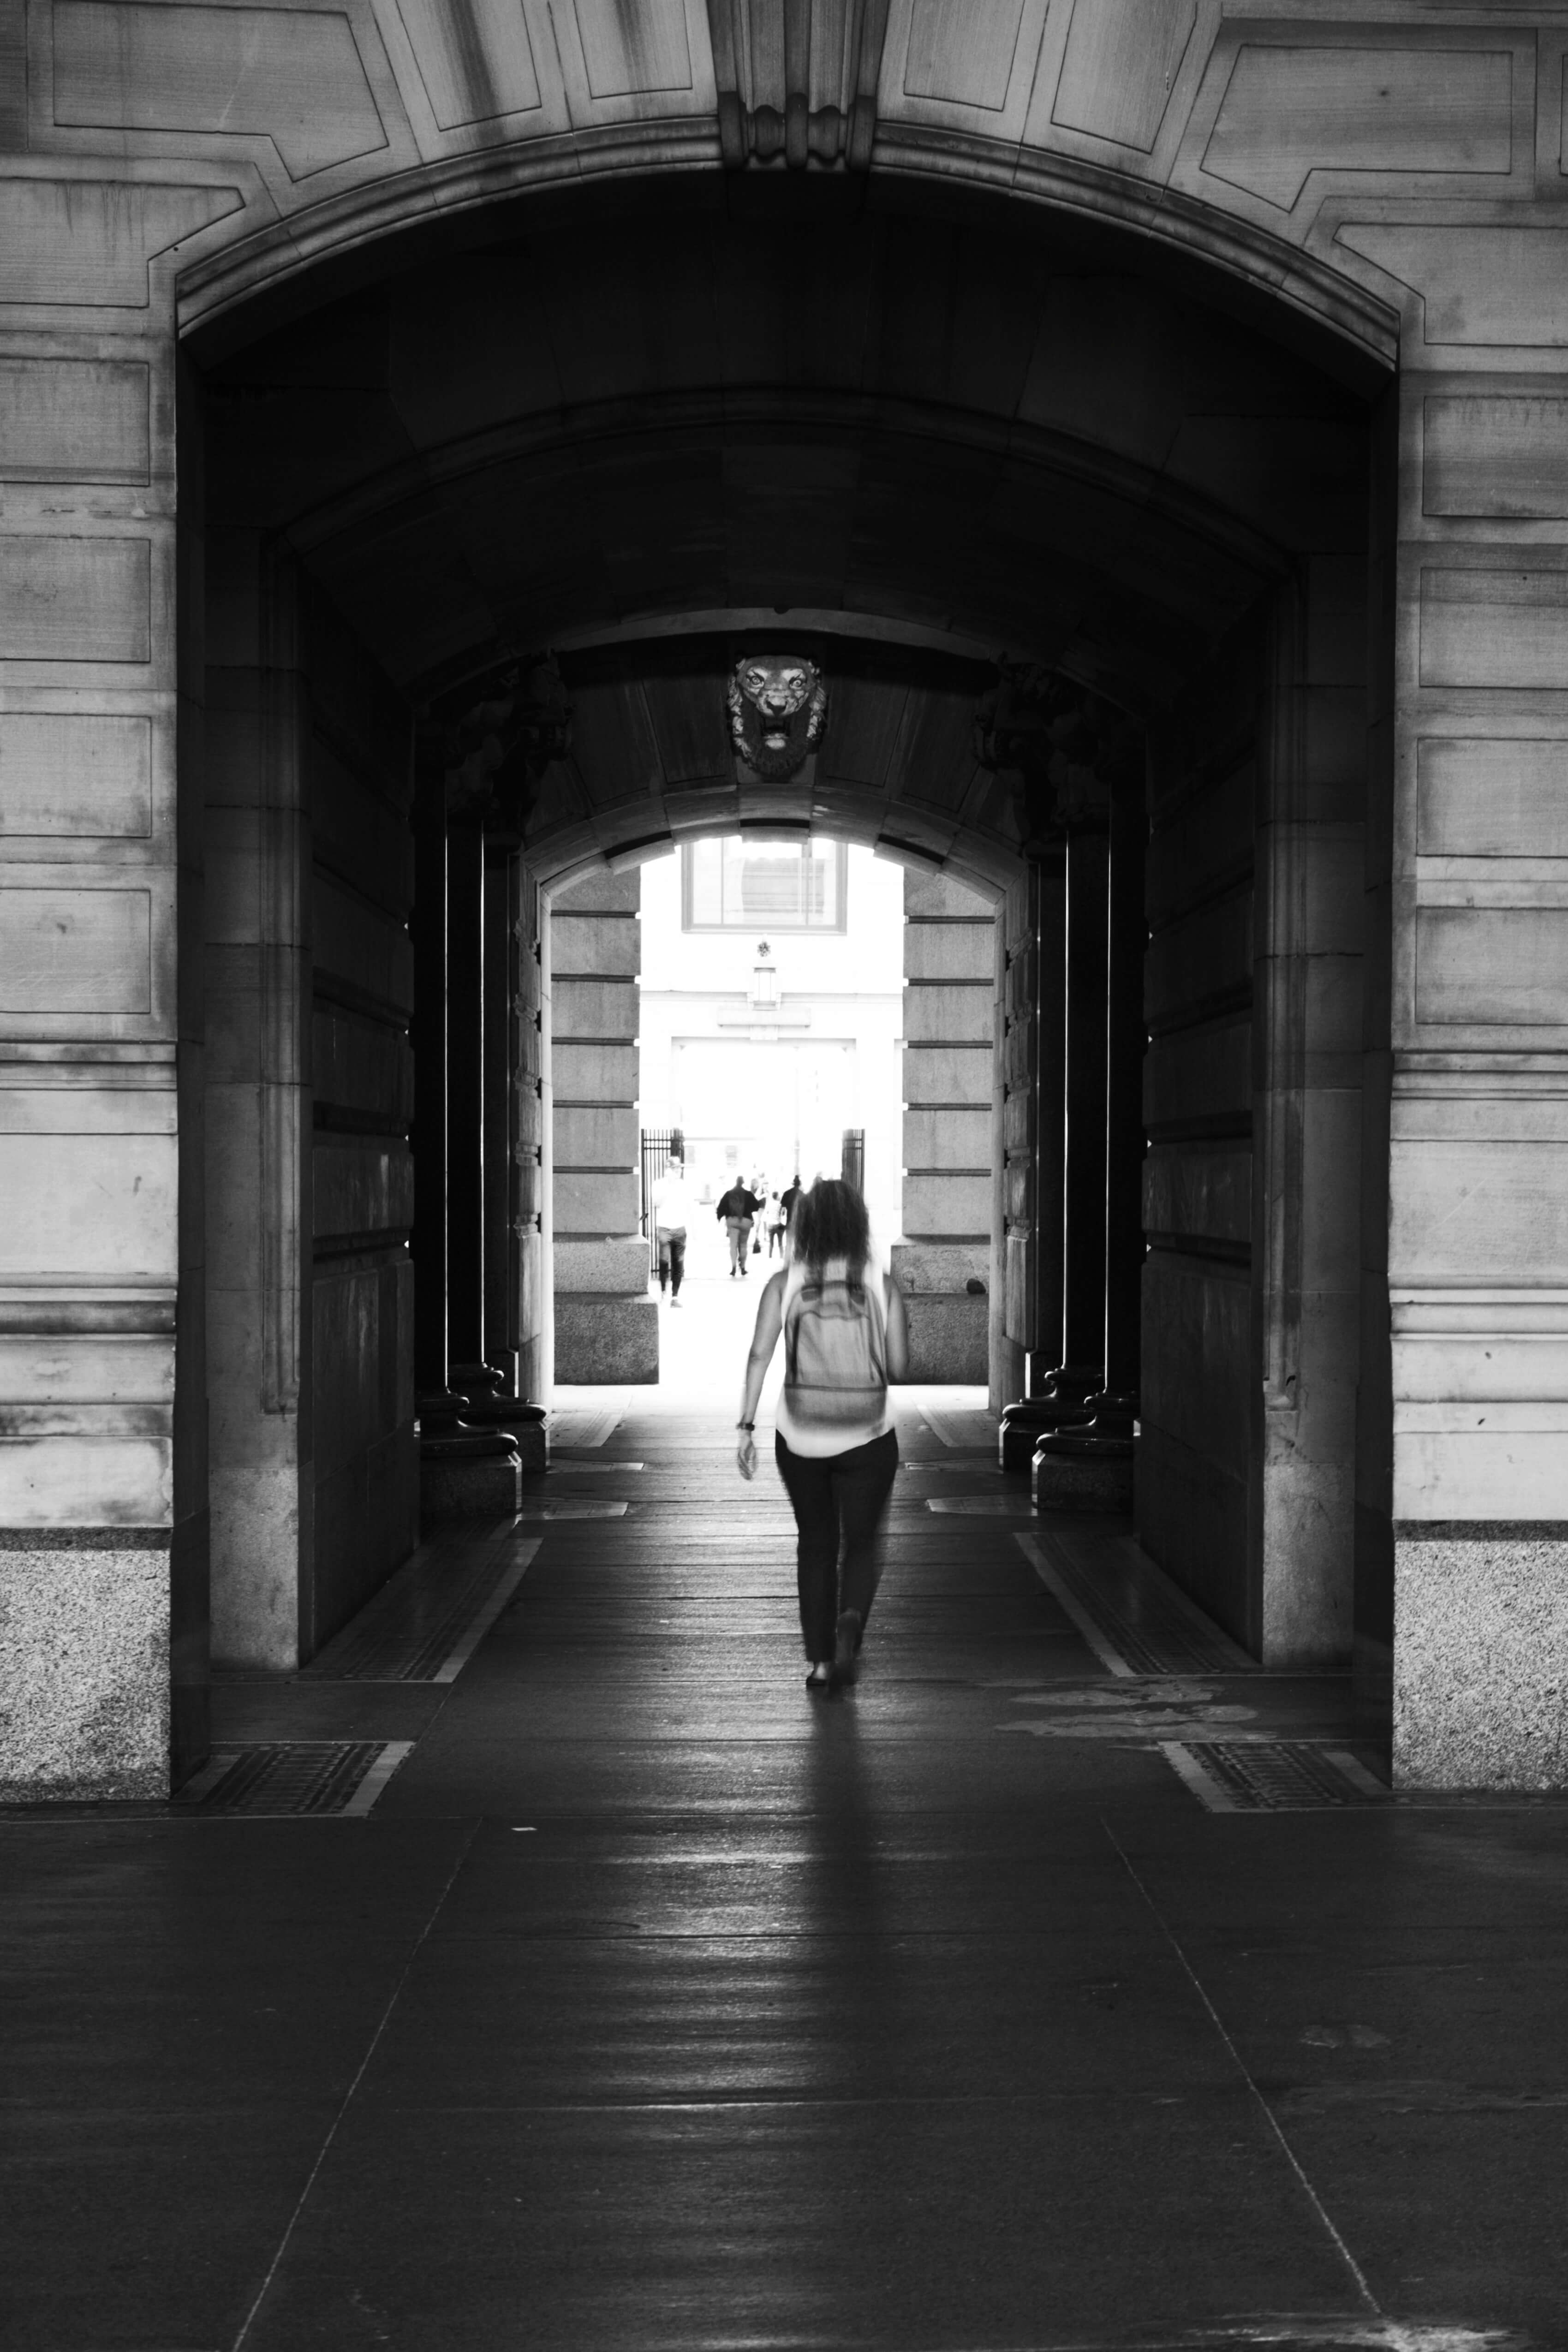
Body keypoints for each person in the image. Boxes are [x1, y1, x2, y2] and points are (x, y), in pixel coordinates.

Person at [735, 1179, 908, 1691]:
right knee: (860, 1543)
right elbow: (899, 1366)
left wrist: (745, 1426)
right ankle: (851, 1617)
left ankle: (820, 1663)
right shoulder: (882, 1284)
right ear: (859, 1226)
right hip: (870, 1434)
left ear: (803, 1225)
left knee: (814, 1542)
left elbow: (759, 1356)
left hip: (801, 1436)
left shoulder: (782, 1283)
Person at [649, 1153, 696, 1305]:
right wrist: (669, 1185)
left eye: (680, 1169)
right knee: (664, 1260)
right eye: (676, 1169)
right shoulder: (659, 1184)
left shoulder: (684, 1185)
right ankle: (664, 1291)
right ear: (668, 1169)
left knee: (679, 1263)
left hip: (680, 1227)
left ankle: (675, 1296)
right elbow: (657, 1202)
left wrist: (692, 1228)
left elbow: (689, 1206)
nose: (679, 1172)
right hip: (664, 1227)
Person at [715, 1175, 762, 1275]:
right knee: (743, 1245)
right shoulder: (748, 1194)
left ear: (736, 1182)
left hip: (732, 1221)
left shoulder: (729, 1194)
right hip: (746, 1221)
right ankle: (743, 1268)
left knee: (733, 1245)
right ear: (743, 1183)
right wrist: (748, 1209)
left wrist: (720, 1218)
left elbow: (721, 1207)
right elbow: (757, 1206)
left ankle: (733, 1268)